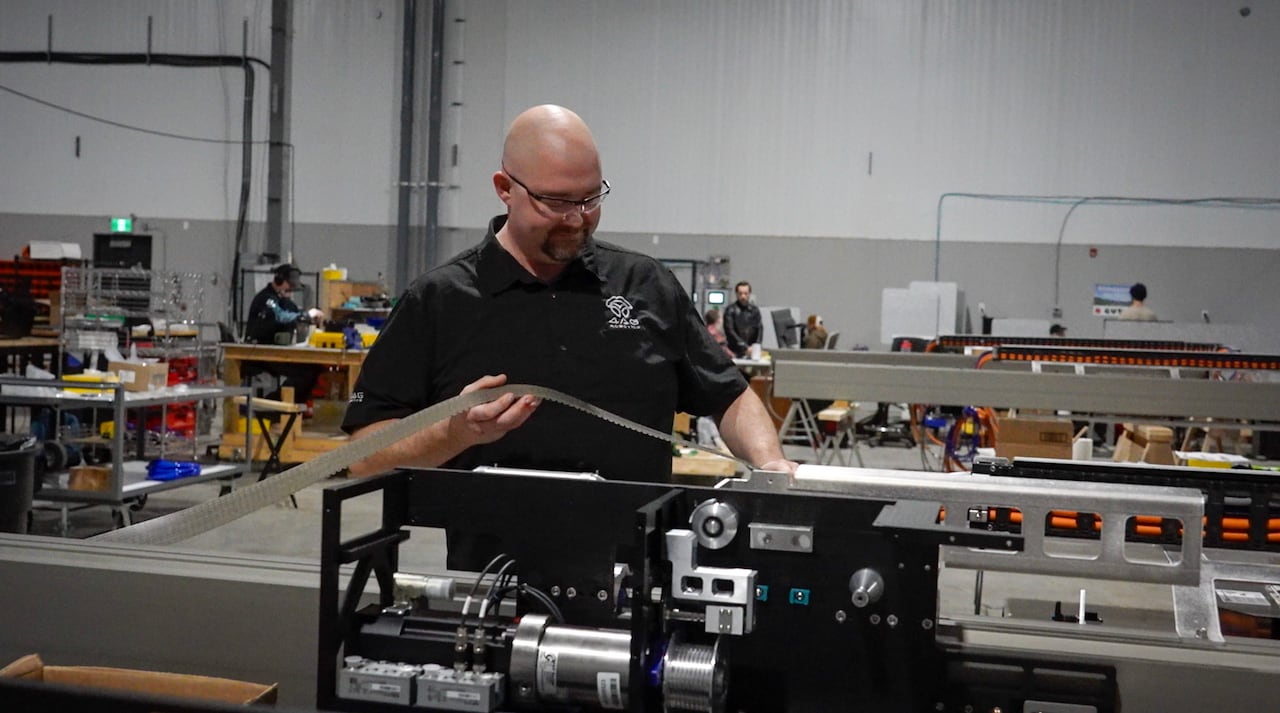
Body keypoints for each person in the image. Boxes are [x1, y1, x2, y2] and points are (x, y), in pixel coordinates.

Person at [342, 104, 794, 482]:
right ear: (504, 189)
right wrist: (454, 434)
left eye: (591, 199)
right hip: (493, 577)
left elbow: (728, 396)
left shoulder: (646, 285)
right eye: (556, 202)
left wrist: (770, 462)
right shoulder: (440, 300)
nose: (577, 219)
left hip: (637, 567)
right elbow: (361, 457)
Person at [243, 263, 326, 402]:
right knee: (304, 374)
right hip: (261, 352)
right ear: (279, 281)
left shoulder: (281, 300)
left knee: (314, 369)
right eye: (288, 287)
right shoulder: (267, 299)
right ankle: (273, 407)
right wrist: (307, 315)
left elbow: (293, 313)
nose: (290, 292)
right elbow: (281, 316)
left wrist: (308, 318)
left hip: (276, 351)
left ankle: (288, 409)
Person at [722, 281, 763, 357]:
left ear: (749, 294)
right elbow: (729, 331)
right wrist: (744, 346)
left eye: (745, 293)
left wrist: (756, 346)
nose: (743, 296)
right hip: (734, 350)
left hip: (752, 350)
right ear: (736, 294)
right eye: (740, 293)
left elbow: (759, 329)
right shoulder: (730, 310)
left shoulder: (754, 310)